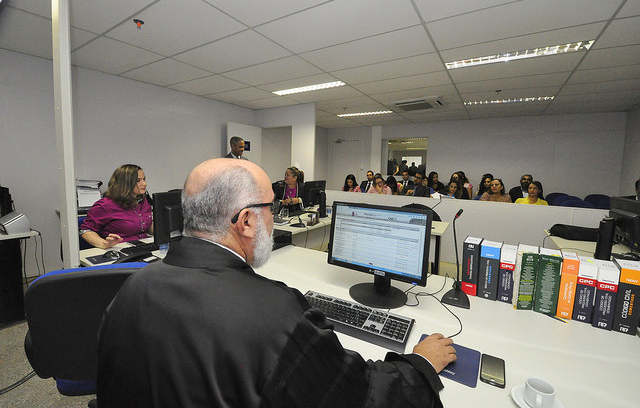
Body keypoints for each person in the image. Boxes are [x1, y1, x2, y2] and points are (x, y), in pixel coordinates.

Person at [96, 158, 456, 407]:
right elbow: (358, 396)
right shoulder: (278, 314)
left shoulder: (132, 287)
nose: (274, 215)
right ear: (248, 221)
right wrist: (420, 366)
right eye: (270, 207)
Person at [79, 164, 152, 249]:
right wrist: (104, 243)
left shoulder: (143, 201)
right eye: (138, 180)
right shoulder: (105, 205)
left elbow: (147, 225)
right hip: (119, 248)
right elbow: (86, 231)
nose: (144, 183)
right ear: (125, 183)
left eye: (144, 179)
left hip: (143, 245)